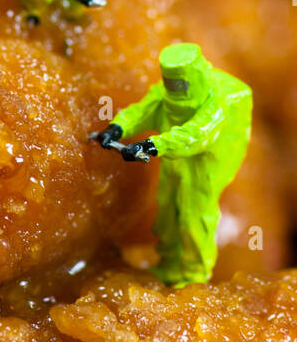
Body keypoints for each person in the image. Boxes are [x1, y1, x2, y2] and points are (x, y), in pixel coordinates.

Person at [92, 43, 252, 286]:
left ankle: (193, 277)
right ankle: (167, 262)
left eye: (180, 84)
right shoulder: (166, 94)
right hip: (173, 159)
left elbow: (196, 134)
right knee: (166, 211)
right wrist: (118, 127)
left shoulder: (217, 103)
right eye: (171, 83)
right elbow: (143, 110)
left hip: (205, 166)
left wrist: (151, 146)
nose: (175, 89)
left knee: (194, 217)